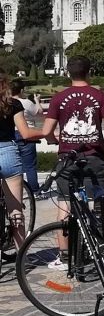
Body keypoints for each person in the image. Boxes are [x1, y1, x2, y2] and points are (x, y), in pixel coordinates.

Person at [41, 56, 104, 269]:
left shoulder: (59, 98)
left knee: (65, 202)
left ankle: (65, 256)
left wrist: (54, 140)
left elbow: (46, 131)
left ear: (68, 73)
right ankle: (102, 250)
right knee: (98, 202)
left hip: (68, 158)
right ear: (90, 71)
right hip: (94, 157)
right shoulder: (99, 96)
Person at [0, 72, 46, 249]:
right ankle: (21, 256)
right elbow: (25, 133)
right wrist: (49, 132)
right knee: (16, 210)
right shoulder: (14, 104)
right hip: (8, 153)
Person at [11, 78, 43, 192]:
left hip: (10, 135)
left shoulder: (5, 102)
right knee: (30, 166)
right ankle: (34, 190)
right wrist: (37, 101)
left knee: (13, 168)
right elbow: (39, 113)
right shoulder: (26, 103)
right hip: (26, 134)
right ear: (21, 90)